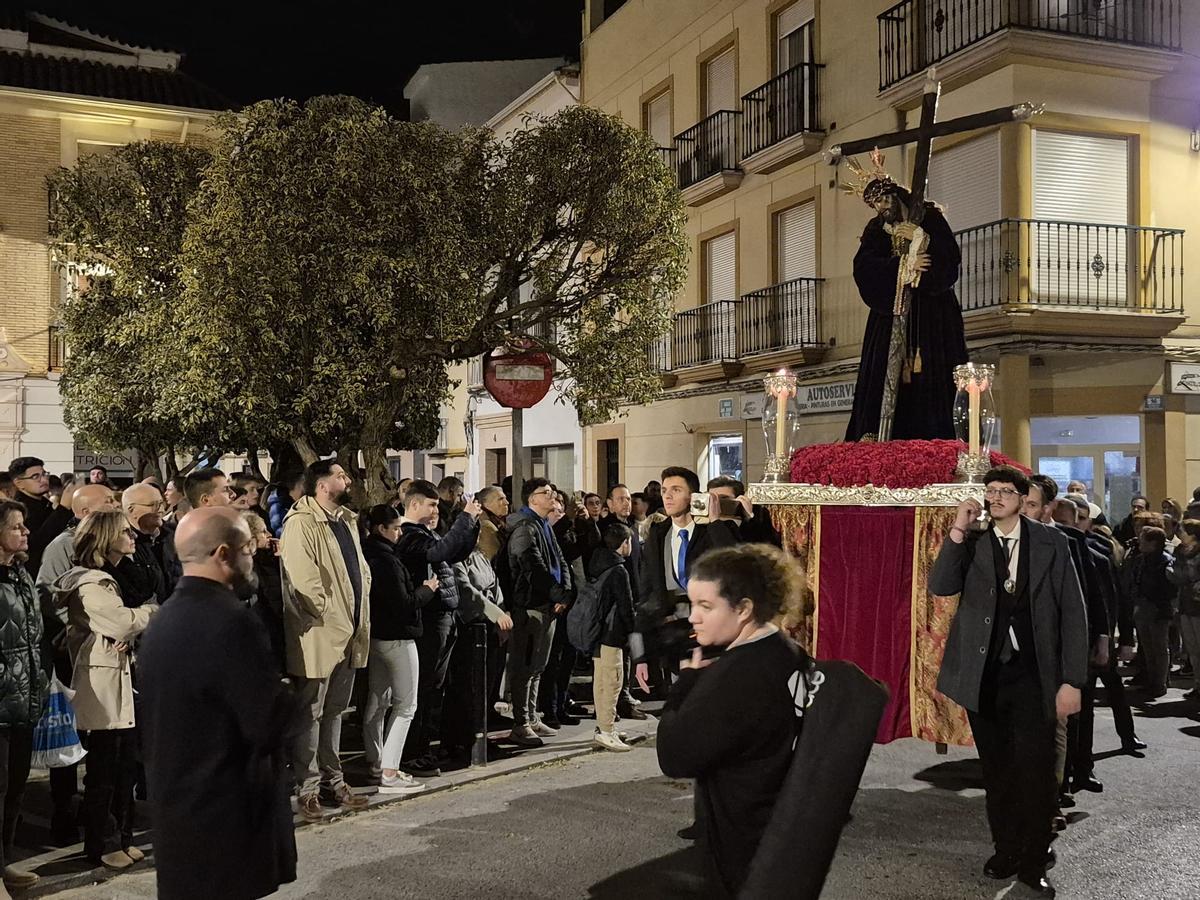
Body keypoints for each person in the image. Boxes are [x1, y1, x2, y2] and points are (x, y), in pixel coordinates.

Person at [931, 466, 1087, 897]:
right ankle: (1006, 849)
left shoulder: (1052, 543)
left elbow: (1073, 613)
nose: (996, 497)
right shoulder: (975, 541)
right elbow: (940, 586)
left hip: (1035, 677)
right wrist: (959, 530)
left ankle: (1034, 859)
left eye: (1005, 491)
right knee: (997, 772)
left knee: (1036, 774)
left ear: (1023, 498)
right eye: (990, 491)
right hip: (986, 677)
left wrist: (1072, 681)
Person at [139, 507, 298, 900]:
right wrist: (286, 695)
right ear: (223, 554)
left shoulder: (164, 618)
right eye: (248, 548)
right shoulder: (231, 621)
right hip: (226, 809)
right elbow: (265, 721)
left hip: (177, 807)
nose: (253, 556)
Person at [656, 543, 809, 895]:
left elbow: (674, 754)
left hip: (743, 838)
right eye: (691, 604)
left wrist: (687, 684)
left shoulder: (736, 676)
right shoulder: (788, 651)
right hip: (781, 831)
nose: (693, 617)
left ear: (743, 609)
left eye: (705, 606)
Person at [54, 510, 158, 870]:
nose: (132, 536)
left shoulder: (117, 577)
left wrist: (131, 630)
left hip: (121, 678)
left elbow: (124, 628)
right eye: (123, 532)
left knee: (124, 766)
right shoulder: (92, 583)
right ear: (105, 538)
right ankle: (102, 843)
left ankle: (122, 838)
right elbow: (120, 621)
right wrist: (149, 612)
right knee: (105, 770)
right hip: (101, 683)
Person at [843, 166, 968, 442]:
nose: (882, 207)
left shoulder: (930, 217)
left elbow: (949, 261)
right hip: (889, 316)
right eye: (876, 204)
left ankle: (941, 441)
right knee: (882, 378)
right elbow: (864, 269)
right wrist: (903, 266)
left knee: (935, 377)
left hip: (932, 316)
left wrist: (924, 246)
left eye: (885, 200)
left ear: (896, 195)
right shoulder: (876, 229)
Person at [279, 459, 372, 822]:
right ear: (320, 485)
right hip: (321, 633)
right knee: (311, 714)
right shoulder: (302, 523)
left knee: (335, 711)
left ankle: (336, 780)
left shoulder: (345, 520)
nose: (346, 479)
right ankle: (308, 788)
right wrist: (328, 615)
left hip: (350, 630)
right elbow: (304, 581)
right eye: (339, 475)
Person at [633, 466, 750, 697]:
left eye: (676, 490)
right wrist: (641, 655)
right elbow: (646, 594)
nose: (667, 496)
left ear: (694, 495)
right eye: (665, 490)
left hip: (717, 637)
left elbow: (737, 562)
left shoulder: (714, 530)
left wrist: (715, 521)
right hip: (676, 639)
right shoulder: (658, 533)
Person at [394, 480, 480, 776]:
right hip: (429, 619)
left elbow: (455, 551)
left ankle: (422, 748)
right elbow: (441, 551)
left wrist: (472, 524)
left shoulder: (424, 533)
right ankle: (411, 753)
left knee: (434, 688)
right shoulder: (408, 535)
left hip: (444, 616)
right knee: (423, 688)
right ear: (414, 504)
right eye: (431, 505)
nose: (436, 510)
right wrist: (465, 518)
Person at [360, 505, 435, 794]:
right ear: (382, 529)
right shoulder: (387, 561)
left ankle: (376, 762)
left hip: (377, 636)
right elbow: (403, 604)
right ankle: (389, 771)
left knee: (378, 701)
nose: (400, 533)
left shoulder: (369, 554)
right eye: (395, 528)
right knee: (406, 705)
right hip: (397, 638)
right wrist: (427, 590)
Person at [0, 500, 50, 897]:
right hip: (1, 700)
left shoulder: (20, 574)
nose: (26, 532)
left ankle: (4, 863)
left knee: (15, 786)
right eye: (17, 526)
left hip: (22, 699)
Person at [505, 477, 572, 748]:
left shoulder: (543, 525)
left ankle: (532, 717)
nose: (552, 496)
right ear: (532, 499)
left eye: (552, 492)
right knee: (525, 666)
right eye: (546, 493)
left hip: (548, 605)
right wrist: (557, 593)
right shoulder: (524, 528)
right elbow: (533, 568)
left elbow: (560, 561)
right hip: (530, 606)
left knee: (538, 665)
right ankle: (520, 722)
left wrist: (565, 592)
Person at [448, 527, 514, 762]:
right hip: (471, 628)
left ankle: (480, 736)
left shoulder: (480, 557)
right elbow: (467, 591)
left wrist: (502, 613)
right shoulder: (456, 560)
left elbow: (495, 585)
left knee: (486, 686)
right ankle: (462, 740)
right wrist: (495, 613)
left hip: (491, 628)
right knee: (468, 688)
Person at [589, 524, 637, 752]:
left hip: (597, 632)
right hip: (612, 633)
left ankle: (604, 726)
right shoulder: (619, 570)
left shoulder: (598, 563)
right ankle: (607, 731)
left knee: (601, 681)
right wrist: (634, 632)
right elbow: (626, 607)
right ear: (624, 543)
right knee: (612, 681)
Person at [1127, 526, 1174, 699]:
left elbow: (1168, 589)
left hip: (1158, 608)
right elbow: (1134, 580)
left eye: (1143, 540)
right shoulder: (1141, 560)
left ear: (1153, 543)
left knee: (1159, 648)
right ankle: (1151, 680)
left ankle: (1159, 682)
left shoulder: (1165, 561)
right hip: (1143, 606)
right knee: (1147, 647)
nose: (1139, 542)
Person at [8, 457, 74, 573]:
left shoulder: (44, 503)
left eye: (44, 474)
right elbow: (36, 543)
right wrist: (63, 508)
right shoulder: (17, 509)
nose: (43, 479)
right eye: (35, 477)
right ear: (19, 483)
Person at [1171, 519, 1200, 700]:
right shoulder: (1180, 551)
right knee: (1192, 648)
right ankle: (1198, 684)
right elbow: (1177, 575)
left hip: (1198, 605)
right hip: (1185, 604)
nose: (1178, 534)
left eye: (1182, 531)